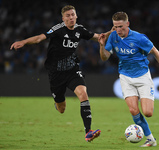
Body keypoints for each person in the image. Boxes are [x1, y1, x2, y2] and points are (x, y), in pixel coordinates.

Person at [10, 5, 112, 142]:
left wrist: (112, 32)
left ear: (76, 16)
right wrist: (24, 42)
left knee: (83, 93)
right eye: (68, 16)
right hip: (56, 73)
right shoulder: (58, 29)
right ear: (63, 19)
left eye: (72, 15)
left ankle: (88, 131)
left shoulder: (80, 30)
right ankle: (57, 103)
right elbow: (40, 37)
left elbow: (98, 37)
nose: (71, 17)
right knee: (61, 108)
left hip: (72, 70)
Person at [98, 11, 159, 147]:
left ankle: (149, 135)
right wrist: (102, 45)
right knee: (133, 110)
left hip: (142, 76)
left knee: (148, 113)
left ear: (128, 24)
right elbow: (104, 57)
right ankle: (151, 139)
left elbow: (154, 50)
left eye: (121, 26)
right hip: (125, 76)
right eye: (115, 27)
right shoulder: (113, 37)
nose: (118, 30)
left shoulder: (139, 38)